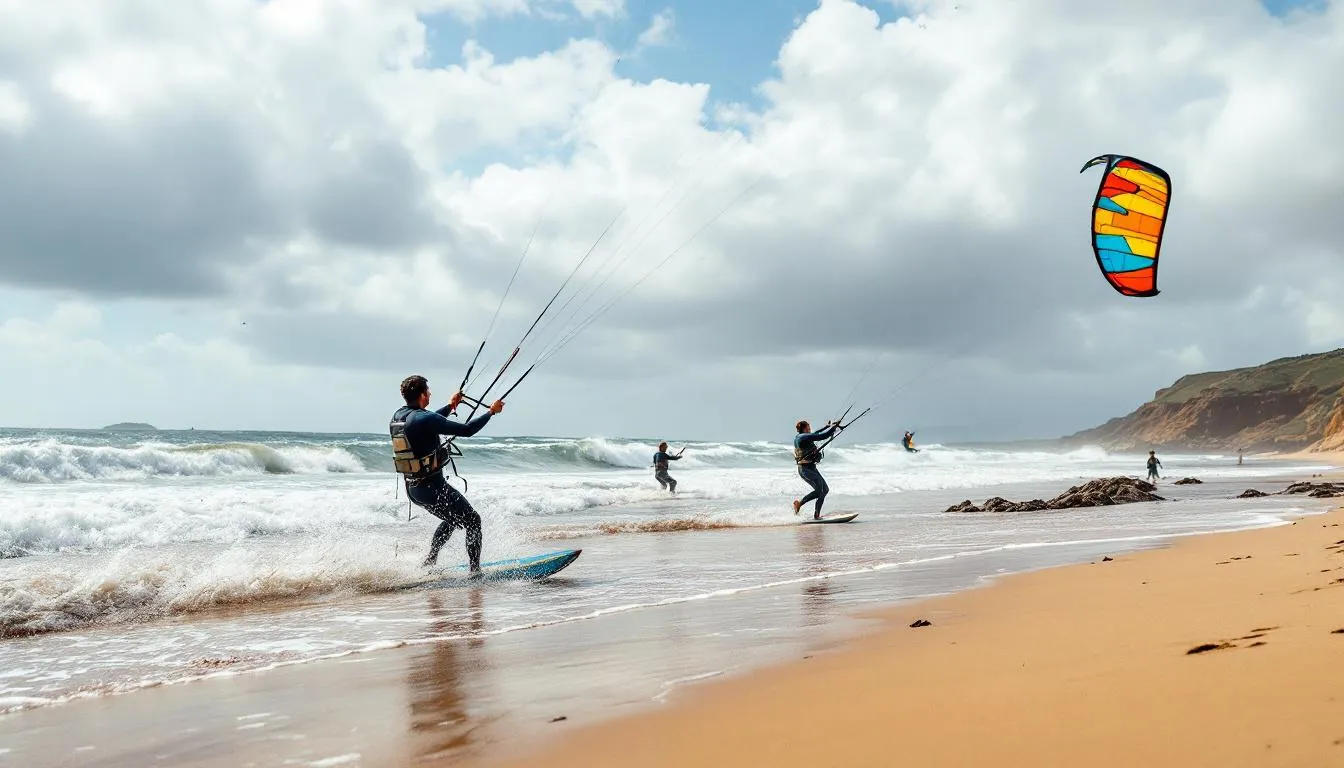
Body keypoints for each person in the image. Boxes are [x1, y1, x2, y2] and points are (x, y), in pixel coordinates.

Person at [389, 375, 504, 572]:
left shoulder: (399, 416)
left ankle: (430, 561)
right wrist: (490, 412)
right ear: (423, 395)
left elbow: (428, 421)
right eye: (428, 391)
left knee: (453, 519)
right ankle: (475, 572)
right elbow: (467, 430)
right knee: (473, 521)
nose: (430, 394)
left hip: (414, 490)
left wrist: (451, 406)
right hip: (433, 488)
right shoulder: (425, 418)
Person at [792, 419, 841, 519]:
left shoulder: (805, 436)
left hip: (812, 468)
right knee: (819, 491)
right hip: (805, 470)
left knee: (825, 490)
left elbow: (816, 433)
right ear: (804, 429)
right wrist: (834, 428)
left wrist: (827, 427)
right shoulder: (802, 437)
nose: (810, 429)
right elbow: (821, 436)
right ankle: (799, 504)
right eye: (808, 428)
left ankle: (817, 514)